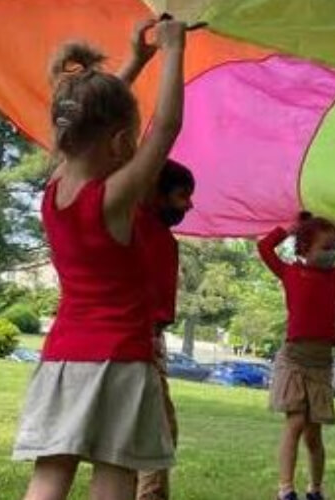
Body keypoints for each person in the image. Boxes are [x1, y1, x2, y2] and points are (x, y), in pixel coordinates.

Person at [9, 16, 193, 500]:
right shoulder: (113, 197)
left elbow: (85, 118)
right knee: (115, 474)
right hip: (121, 361)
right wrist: (174, 48)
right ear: (119, 143)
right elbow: (168, 127)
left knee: (49, 475)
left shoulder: (53, 193)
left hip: (62, 359)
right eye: (130, 139)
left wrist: (135, 62)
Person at [257, 211, 335, 500]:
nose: (333, 253)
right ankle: (285, 489)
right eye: (326, 247)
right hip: (293, 359)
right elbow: (264, 248)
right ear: (305, 249)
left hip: (321, 362)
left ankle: (315, 489)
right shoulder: (291, 272)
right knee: (294, 423)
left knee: (313, 433)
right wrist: (292, 227)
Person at [134, 160, 194, 500]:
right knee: (157, 435)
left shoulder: (160, 235)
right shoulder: (133, 223)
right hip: (137, 338)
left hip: (152, 339)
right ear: (155, 191)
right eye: (182, 195)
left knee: (148, 433)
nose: (188, 205)